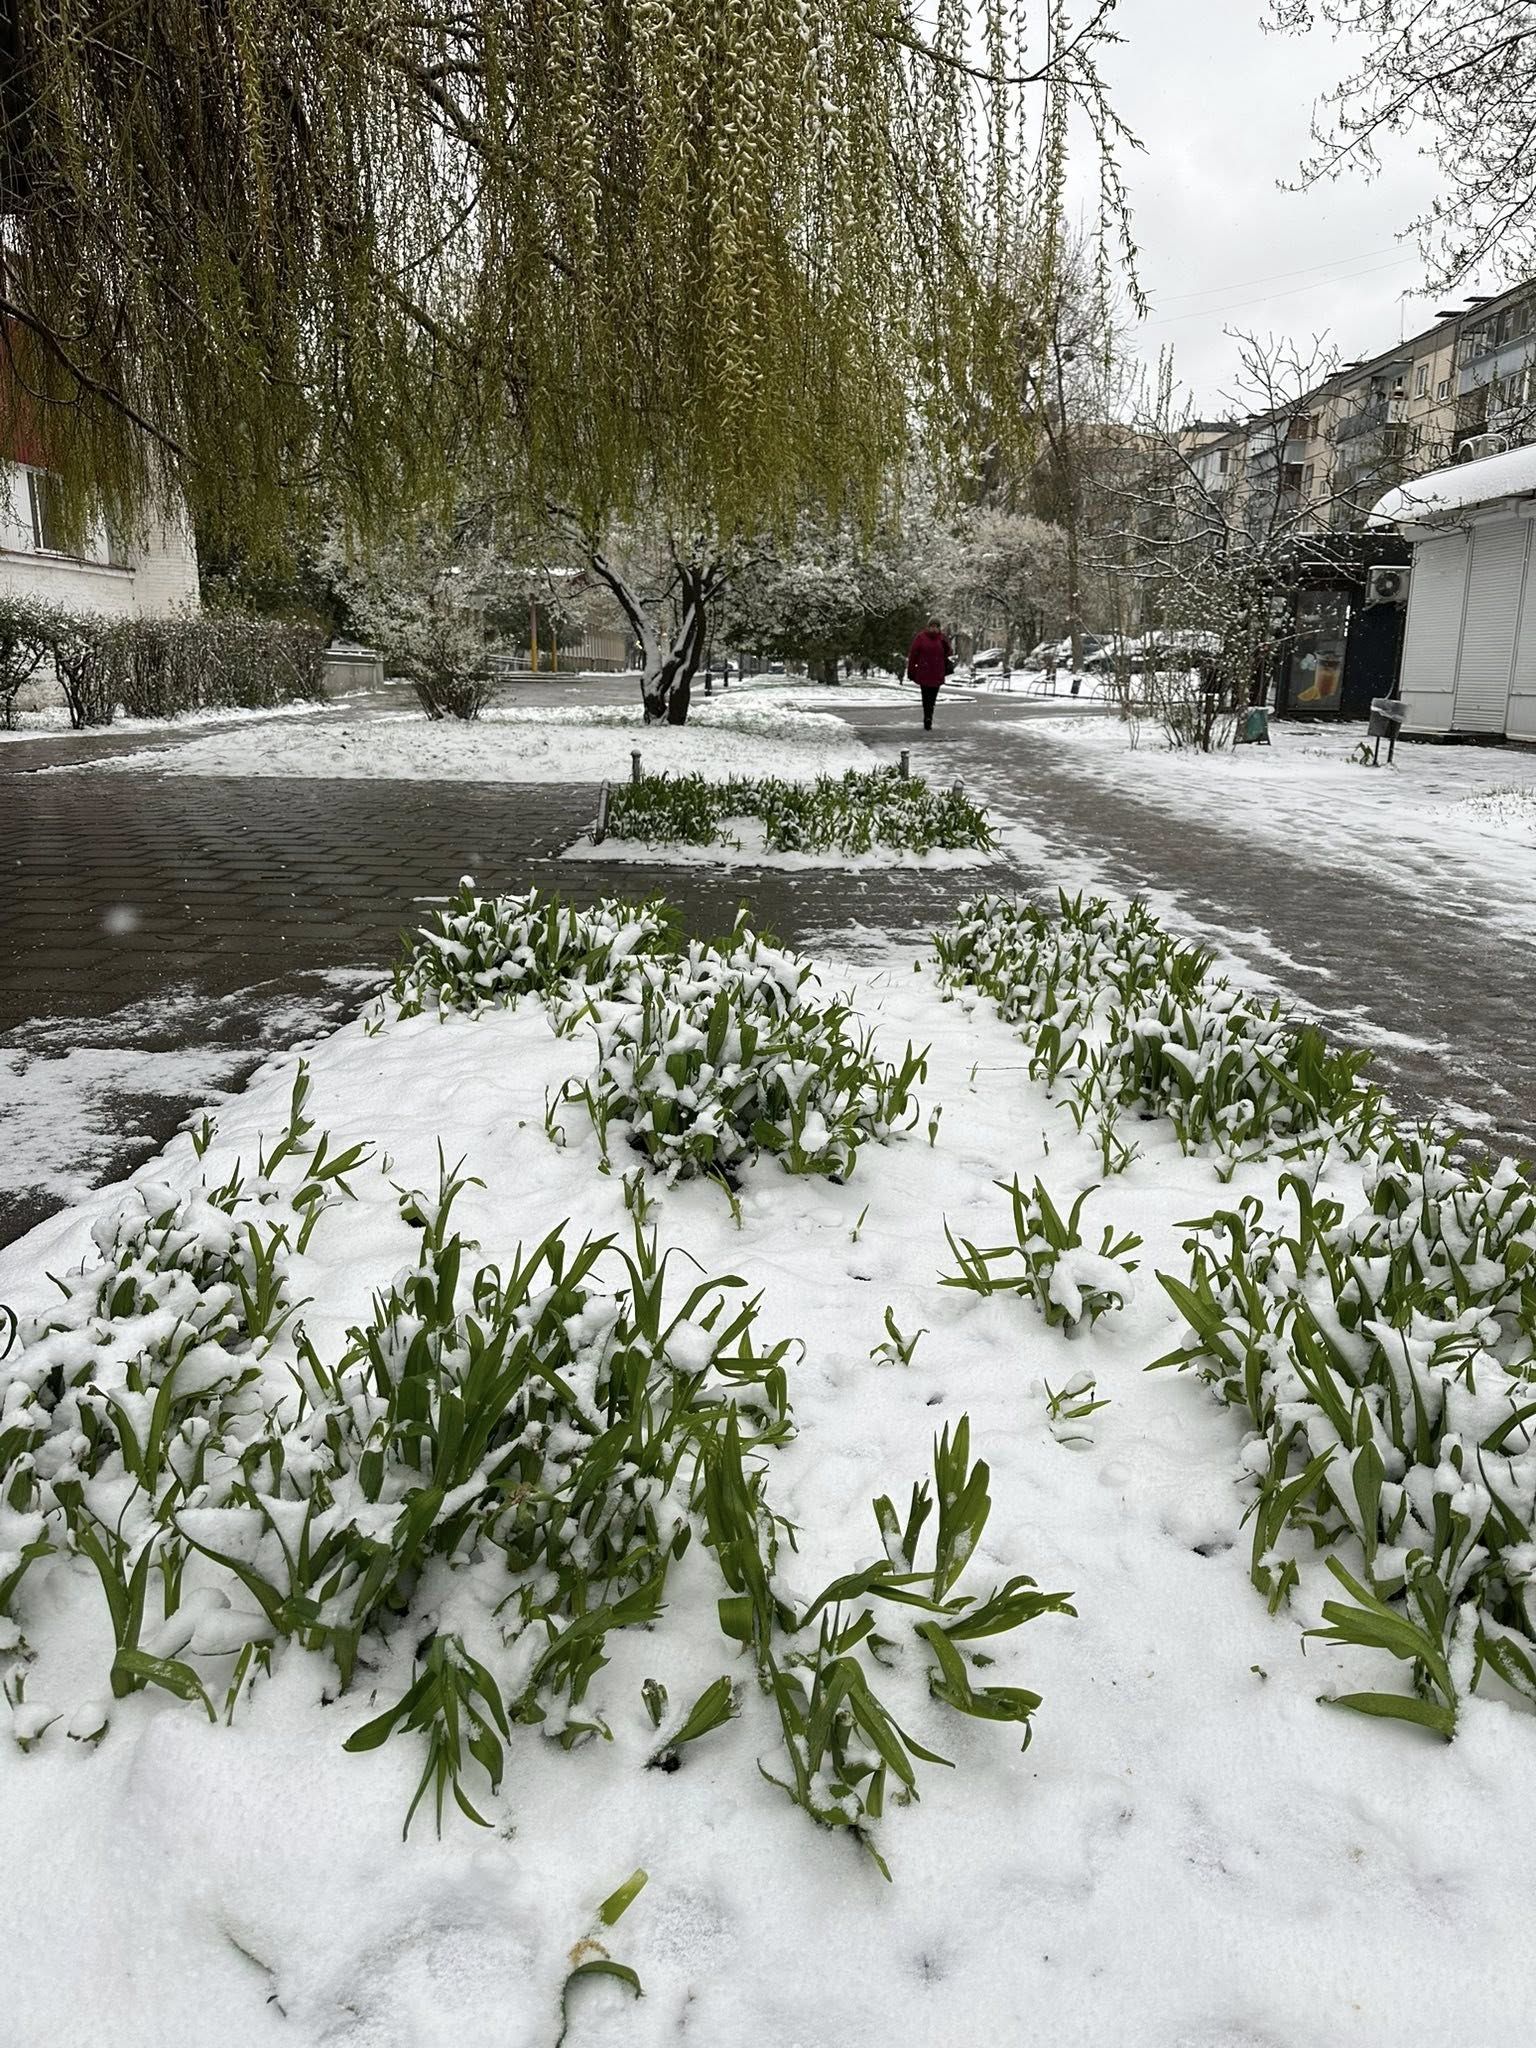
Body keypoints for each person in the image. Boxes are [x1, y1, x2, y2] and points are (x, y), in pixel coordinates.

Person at [905, 617, 953, 730]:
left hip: (937, 672)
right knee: (926, 696)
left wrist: (946, 644)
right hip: (924, 671)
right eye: (932, 626)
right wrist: (911, 671)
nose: (934, 628)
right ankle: (927, 717)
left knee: (932, 698)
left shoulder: (942, 638)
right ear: (928, 626)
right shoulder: (921, 637)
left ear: (939, 627)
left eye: (936, 626)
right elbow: (913, 654)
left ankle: (928, 716)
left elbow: (949, 652)